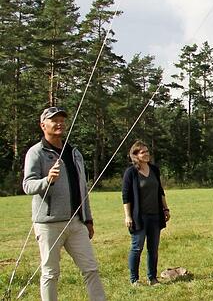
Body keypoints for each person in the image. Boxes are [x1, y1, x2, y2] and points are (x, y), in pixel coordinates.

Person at [22, 106, 107, 301]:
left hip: (76, 223)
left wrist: (88, 219)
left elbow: (82, 189)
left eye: (62, 119)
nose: (59, 123)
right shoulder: (36, 152)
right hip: (48, 225)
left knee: (91, 268)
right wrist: (47, 180)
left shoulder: (74, 152)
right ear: (43, 125)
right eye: (54, 120)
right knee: (50, 273)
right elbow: (27, 185)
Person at [122, 140, 171, 285]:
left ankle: (152, 278)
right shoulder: (131, 172)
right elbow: (126, 196)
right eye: (143, 152)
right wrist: (128, 216)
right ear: (135, 155)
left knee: (153, 249)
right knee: (137, 247)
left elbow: (160, 191)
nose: (147, 154)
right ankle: (134, 279)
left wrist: (165, 208)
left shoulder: (154, 170)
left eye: (147, 151)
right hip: (139, 217)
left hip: (155, 215)